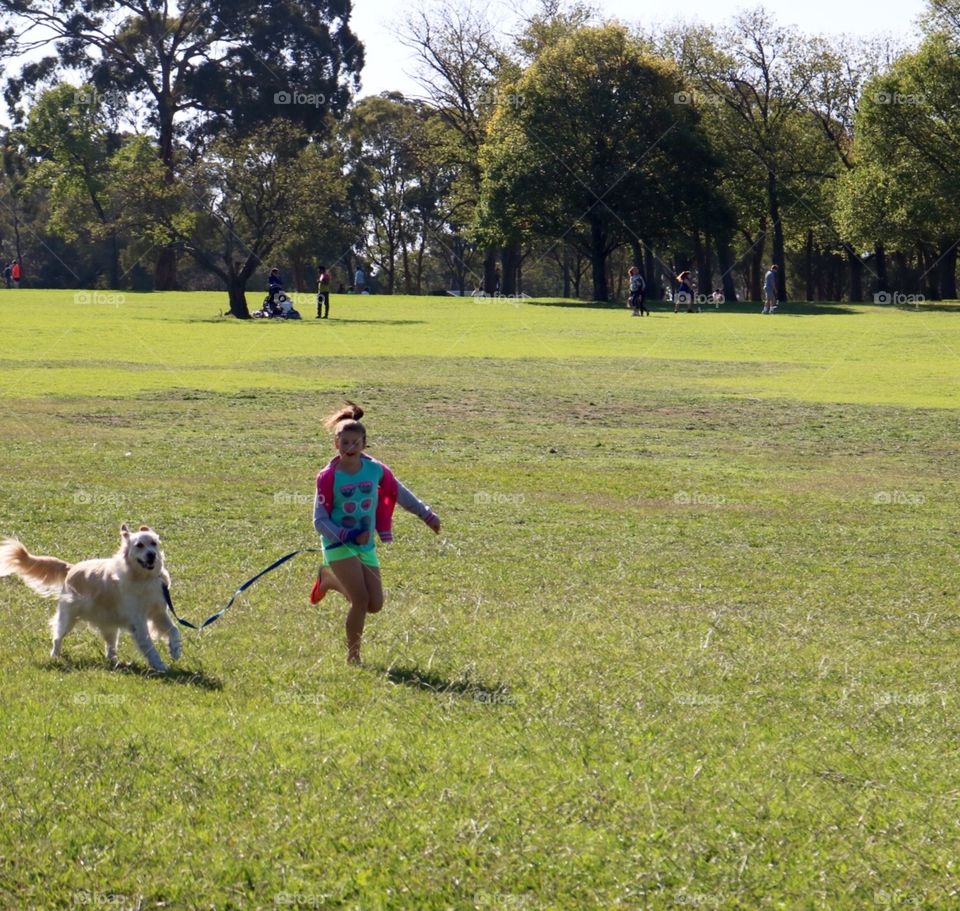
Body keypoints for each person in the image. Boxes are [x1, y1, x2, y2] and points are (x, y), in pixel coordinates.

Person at [311, 402, 441, 665]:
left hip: (366, 545)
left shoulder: (376, 471)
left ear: (364, 444)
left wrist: (426, 514)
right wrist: (346, 535)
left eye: (355, 443)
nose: (349, 448)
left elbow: (398, 494)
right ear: (336, 444)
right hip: (339, 544)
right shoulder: (327, 477)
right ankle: (354, 658)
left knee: (375, 604)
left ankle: (329, 580)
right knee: (360, 600)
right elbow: (319, 520)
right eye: (344, 442)